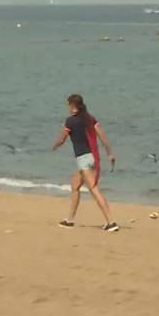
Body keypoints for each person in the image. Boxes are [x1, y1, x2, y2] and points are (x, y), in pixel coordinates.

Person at [51, 94, 119, 232]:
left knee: (94, 190)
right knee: (75, 185)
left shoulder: (70, 121)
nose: (69, 108)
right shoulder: (90, 119)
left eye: (69, 105)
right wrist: (110, 153)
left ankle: (111, 222)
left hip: (84, 159)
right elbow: (102, 136)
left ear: (74, 107)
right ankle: (69, 220)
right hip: (92, 157)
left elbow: (62, 139)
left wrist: (54, 146)